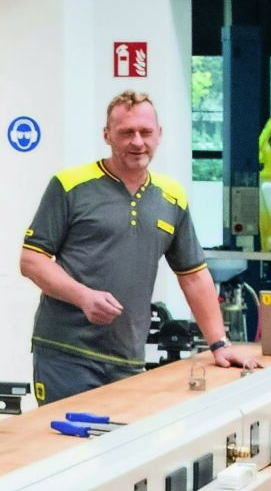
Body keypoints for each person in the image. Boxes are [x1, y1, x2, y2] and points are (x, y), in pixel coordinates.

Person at [19, 90, 255, 405]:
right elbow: (32, 261)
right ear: (107, 135)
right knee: (67, 449)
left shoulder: (171, 196)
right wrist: (83, 297)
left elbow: (193, 275)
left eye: (145, 132)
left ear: (159, 135)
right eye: (126, 133)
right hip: (66, 353)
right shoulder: (69, 185)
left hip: (127, 356)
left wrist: (219, 344)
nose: (137, 142)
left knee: (119, 448)